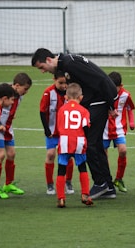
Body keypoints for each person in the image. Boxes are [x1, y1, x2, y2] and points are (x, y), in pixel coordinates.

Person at [31, 48, 118, 200]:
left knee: (89, 143)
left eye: (42, 68)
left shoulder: (70, 64)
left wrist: (111, 105)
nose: (43, 71)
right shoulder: (66, 63)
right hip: (97, 101)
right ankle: (108, 186)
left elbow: (101, 79)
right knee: (96, 144)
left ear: (49, 60)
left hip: (99, 101)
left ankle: (100, 182)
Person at [0, 73, 32, 199]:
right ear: (16, 86)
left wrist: (11, 115)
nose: (26, 92)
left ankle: (8, 184)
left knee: (11, 154)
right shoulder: (5, 94)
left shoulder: (19, 96)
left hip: (8, 128)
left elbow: (12, 109)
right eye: (25, 89)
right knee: (0, 156)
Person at [56, 83, 93, 208]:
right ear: (81, 98)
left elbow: (59, 127)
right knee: (82, 167)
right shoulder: (84, 111)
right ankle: (85, 195)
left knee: (61, 169)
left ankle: (61, 198)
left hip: (65, 141)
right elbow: (86, 127)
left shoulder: (61, 109)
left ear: (66, 97)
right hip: (78, 141)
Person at [40, 70, 74, 195]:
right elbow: (42, 112)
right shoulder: (48, 93)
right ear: (54, 80)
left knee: (68, 155)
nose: (63, 86)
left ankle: (68, 181)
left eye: (65, 83)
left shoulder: (70, 93)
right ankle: (50, 184)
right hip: (52, 131)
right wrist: (46, 129)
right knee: (50, 154)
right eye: (60, 83)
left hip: (66, 131)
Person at [103, 71, 135, 196]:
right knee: (103, 156)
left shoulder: (126, 95)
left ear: (120, 85)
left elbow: (129, 108)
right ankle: (106, 180)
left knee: (123, 151)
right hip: (104, 129)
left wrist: (131, 122)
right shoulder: (103, 93)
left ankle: (119, 179)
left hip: (119, 129)